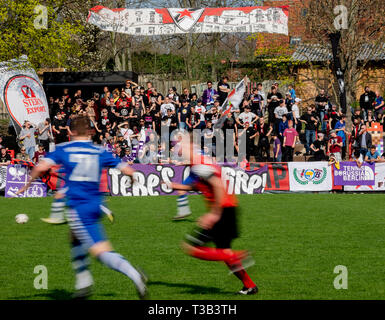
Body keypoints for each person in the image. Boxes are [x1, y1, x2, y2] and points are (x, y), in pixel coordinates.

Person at [16, 116, 148, 299]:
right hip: (96, 205)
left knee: (101, 252)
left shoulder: (64, 149)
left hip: (79, 208)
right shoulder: (99, 150)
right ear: (90, 131)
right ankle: (83, 283)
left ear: (71, 132)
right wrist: (132, 179)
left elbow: (40, 167)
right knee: (74, 237)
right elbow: (128, 169)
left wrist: (28, 183)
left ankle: (135, 275)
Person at [167, 139, 258, 295]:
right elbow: (202, 185)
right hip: (229, 208)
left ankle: (240, 255)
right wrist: (179, 186)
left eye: (180, 148)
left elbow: (216, 184)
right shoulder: (198, 164)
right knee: (224, 251)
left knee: (191, 247)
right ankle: (250, 286)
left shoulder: (199, 164)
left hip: (222, 211)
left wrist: (214, 214)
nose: (177, 151)